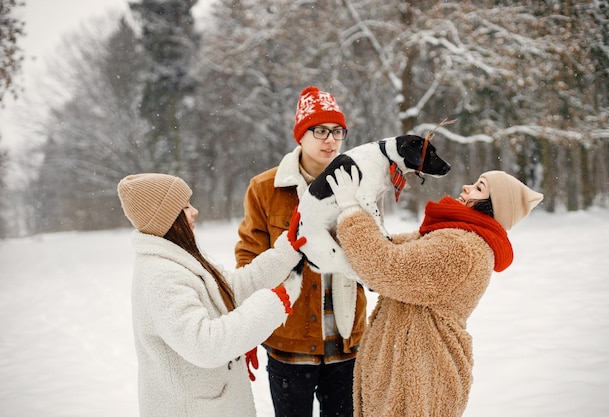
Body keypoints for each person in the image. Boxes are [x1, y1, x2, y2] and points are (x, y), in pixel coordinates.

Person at [326, 167, 543, 417]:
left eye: (478, 188)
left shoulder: (461, 248)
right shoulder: (451, 235)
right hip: (408, 367)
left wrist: (351, 211)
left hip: (418, 374)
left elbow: (387, 266)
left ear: (492, 207)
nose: (466, 188)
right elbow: (387, 249)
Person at [117, 173, 306, 417]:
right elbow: (206, 345)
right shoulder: (162, 277)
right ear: (166, 218)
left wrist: (286, 251)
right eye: (185, 207)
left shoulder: (180, 256)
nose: (194, 211)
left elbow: (233, 289)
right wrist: (270, 305)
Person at [235, 86, 367, 417]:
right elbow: (248, 258)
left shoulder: (359, 184)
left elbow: (372, 251)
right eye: (320, 131)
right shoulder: (265, 189)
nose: (330, 140)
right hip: (288, 342)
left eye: (337, 131)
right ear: (300, 135)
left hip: (346, 342)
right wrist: (249, 324)